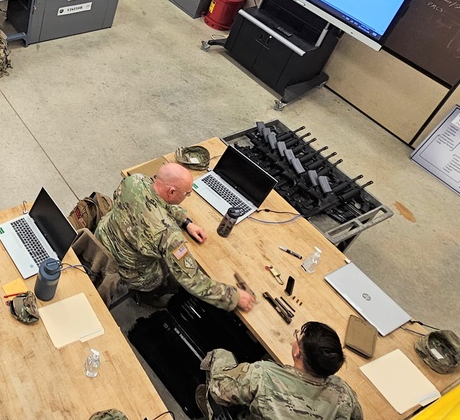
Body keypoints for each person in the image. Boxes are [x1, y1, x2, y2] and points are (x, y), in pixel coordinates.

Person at [95, 162, 255, 312]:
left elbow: (151, 202)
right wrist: (234, 296)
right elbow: (193, 281)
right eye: (187, 193)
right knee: (172, 276)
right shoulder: (168, 234)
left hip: (101, 240)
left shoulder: (135, 180)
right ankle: (151, 295)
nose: (188, 196)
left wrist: (186, 222)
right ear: (171, 191)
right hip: (129, 270)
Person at [197, 321, 363, 420]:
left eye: (298, 337)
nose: (294, 339)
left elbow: (219, 391)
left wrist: (219, 356)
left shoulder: (263, 375)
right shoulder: (344, 394)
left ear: (298, 353)